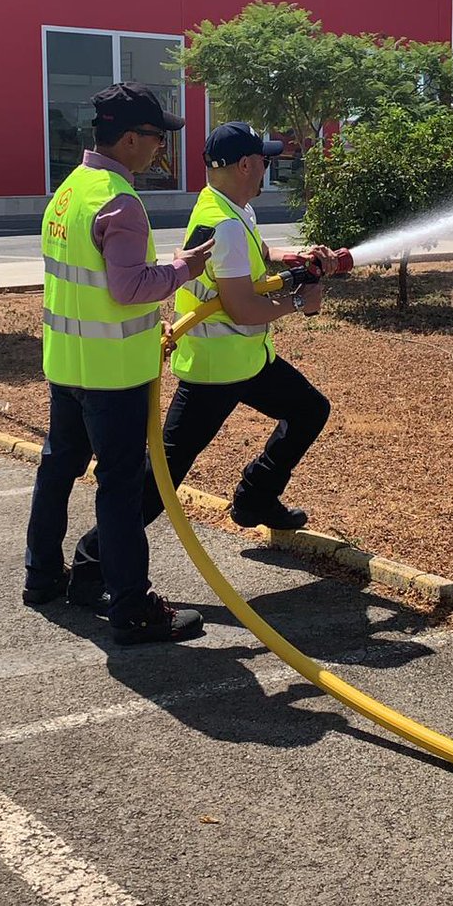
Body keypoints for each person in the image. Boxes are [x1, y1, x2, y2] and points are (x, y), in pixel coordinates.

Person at [65, 121, 336, 603]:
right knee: (160, 482)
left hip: (246, 359)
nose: (266, 168)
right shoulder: (226, 225)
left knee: (309, 410)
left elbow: (258, 254)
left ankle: (255, 497)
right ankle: (90, 567)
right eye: (264, 160)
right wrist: (300, 303)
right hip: (215, 370)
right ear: (246, 165)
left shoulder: (229, 208)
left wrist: (298, 256)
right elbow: (242, 308)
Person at [22, 82, 214, 646]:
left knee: (57, 469)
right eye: (156, 137)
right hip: (115, 376)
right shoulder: (120, 201)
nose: (161, 148)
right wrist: (184, 269)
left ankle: (41, 577)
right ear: (130, 138)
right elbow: (129, 288)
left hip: (68, 366)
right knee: (121, 489)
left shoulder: (69, 191)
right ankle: (132, 608)